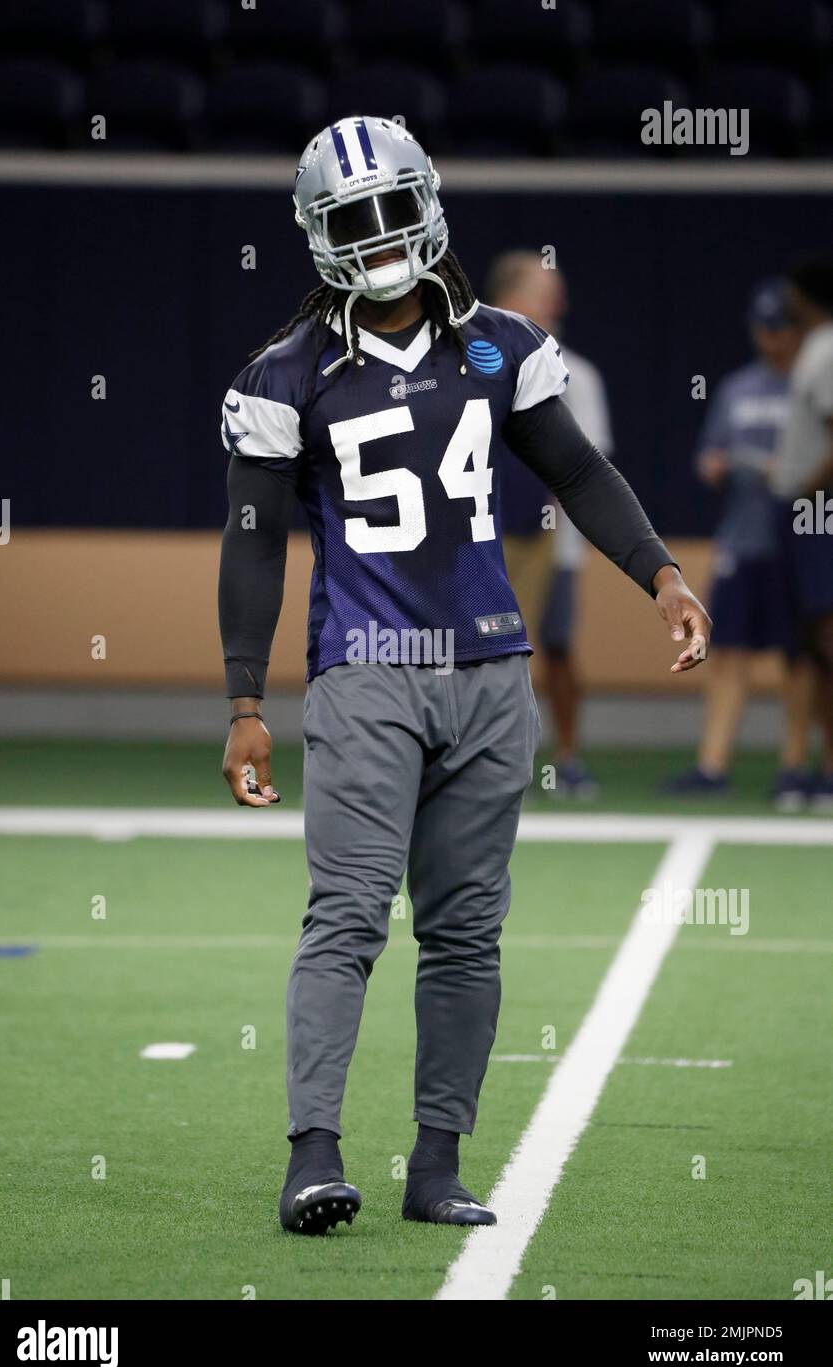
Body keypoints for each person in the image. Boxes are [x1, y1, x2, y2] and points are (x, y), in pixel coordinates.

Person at [217, 116, 711, 1237]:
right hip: (365, 671)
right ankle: (313, 1155)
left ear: (430, 204)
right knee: (344, 916)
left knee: (465, 930)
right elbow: (250, 541)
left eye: (396, 208)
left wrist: (662, 575)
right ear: (318, 236)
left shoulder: (501, 344)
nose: (384, 235)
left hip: (490, 669)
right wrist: (245, 700)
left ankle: (435, 1163)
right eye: (357, 220)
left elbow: (577, 470)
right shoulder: (283, 375)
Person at [662, 280, 812, 807]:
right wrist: (719, 465)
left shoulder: (813, 383)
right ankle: (713, 764)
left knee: (800, 657)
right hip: (741, 540)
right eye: (764, 329)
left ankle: (794, 766)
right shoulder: (736, 389)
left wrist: (789, 473)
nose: (771, 340)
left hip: (798, 541)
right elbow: (709, 457)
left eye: (781, 329)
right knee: (725, 651)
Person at [486, 254, 613, 798]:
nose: (556, 303)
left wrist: (543, 532)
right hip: (481, 541)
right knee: (481, 649)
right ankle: (487, 759)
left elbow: (587, 467)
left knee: (553, 645)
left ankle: (565, 758)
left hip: (550, 543)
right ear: (509, 299)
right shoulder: (470, 367)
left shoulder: (575, 374)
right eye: (544, 292)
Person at [772, 258, 833, 810]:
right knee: (812, 645)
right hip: (806, 517)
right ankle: (822, 767)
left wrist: (803, 495)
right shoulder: (815, 347)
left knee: (827, 638)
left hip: (820, 515)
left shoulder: (827, 347)